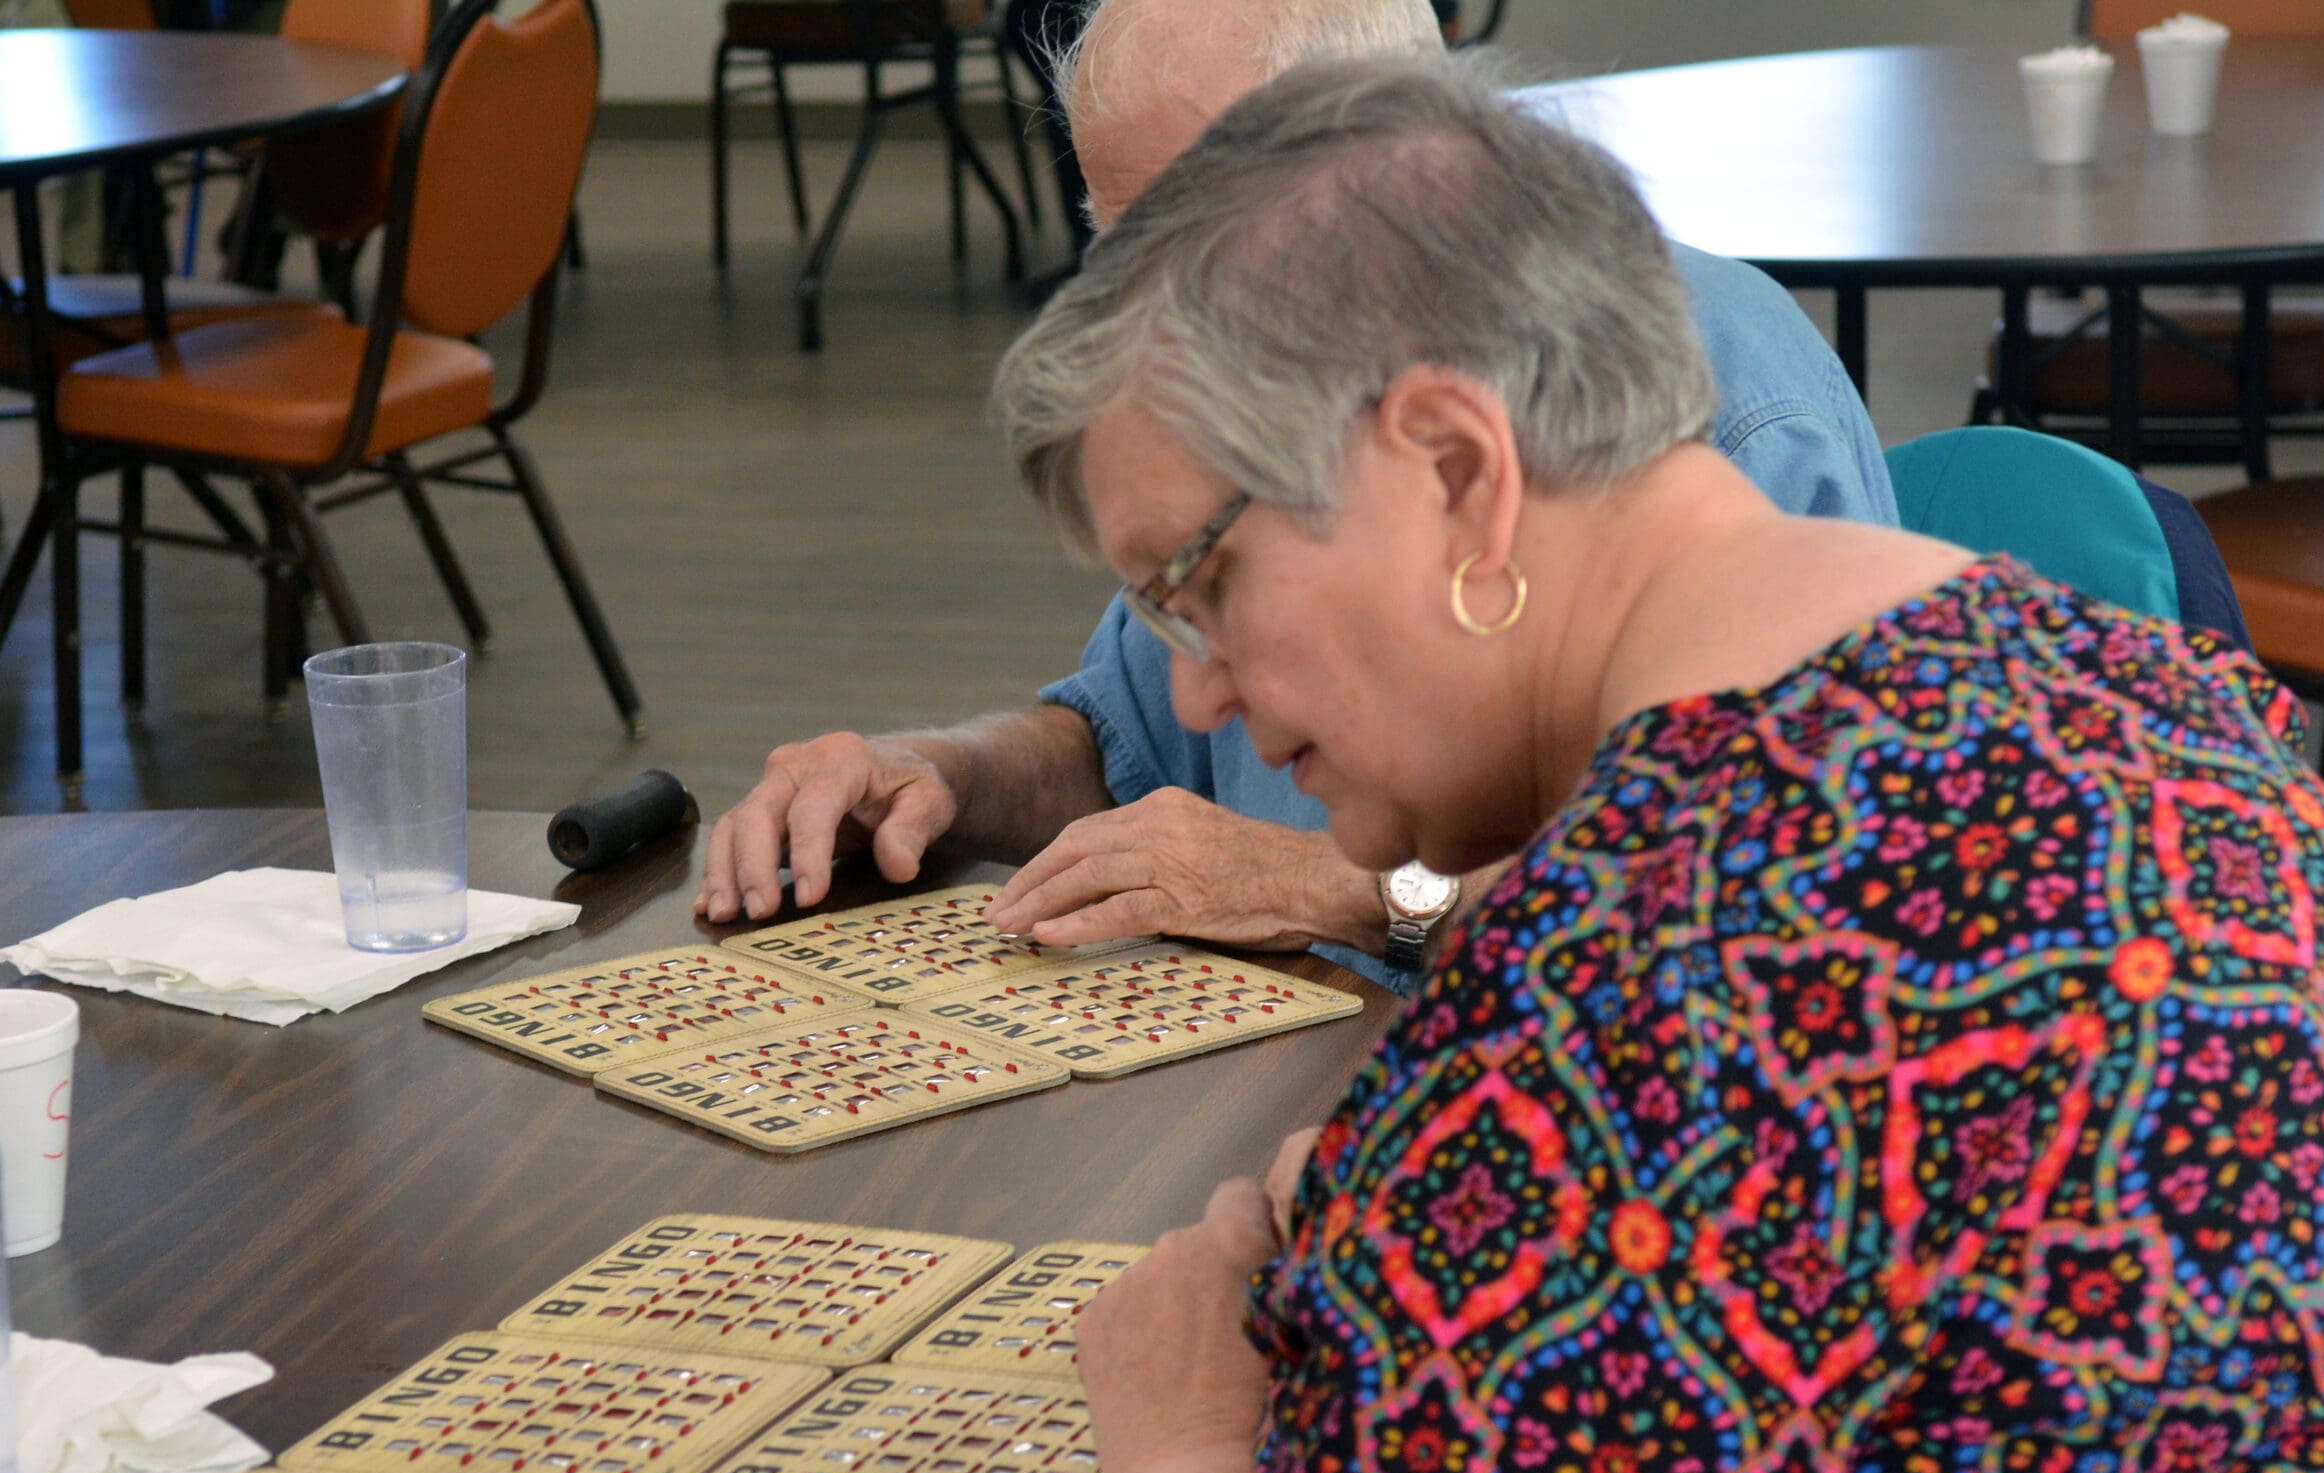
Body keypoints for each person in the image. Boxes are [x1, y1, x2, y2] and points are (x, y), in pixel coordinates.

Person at [676, 54, 2324, 1473]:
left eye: (1202, 578)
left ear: (1457, 470)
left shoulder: (1610, 995)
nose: (1204, 682)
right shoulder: (2152, 705)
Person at [694, 0, 1896, 993]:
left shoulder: (1721, 427)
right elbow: (1135, 736)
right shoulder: (1235, 429)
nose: (1146, 317)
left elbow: (1689, 898)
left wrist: (1338, 890)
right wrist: (944, 775)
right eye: (1119, 250)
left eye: (1200, 252)